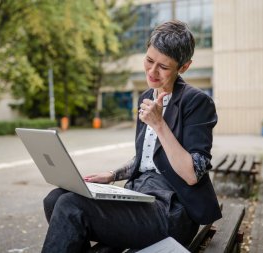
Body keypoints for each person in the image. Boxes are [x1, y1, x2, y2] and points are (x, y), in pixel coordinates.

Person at [42, 20, 222, 253]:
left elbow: (191, 174)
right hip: (138, 197)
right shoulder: (146, 97)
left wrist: (159, 124)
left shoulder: (197, 102)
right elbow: (147, 158)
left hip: (172, 210)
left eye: (163, 67)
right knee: (55, 198)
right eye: (149, 60)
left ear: (183, 67)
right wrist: (112, 175)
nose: (152, 72)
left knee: (71, 206)